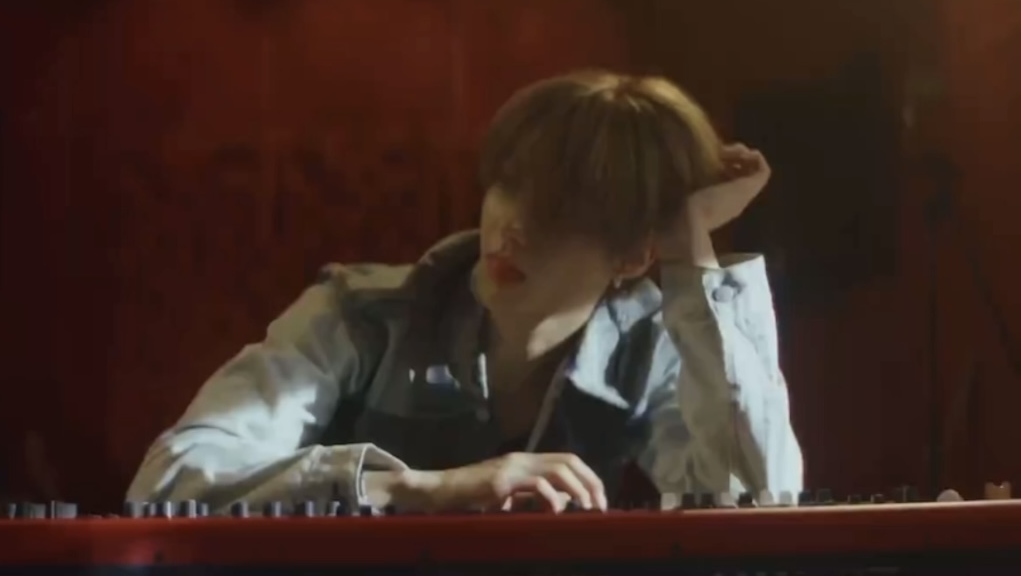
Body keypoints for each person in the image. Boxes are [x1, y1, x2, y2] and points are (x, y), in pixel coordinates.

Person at [126, 70, 804, 513]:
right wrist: (421, 489)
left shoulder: (648, 343)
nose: (513, 225)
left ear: (632, 255)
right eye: (508, 186)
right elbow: (170, 481)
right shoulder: (362, 314)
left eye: (561, 210)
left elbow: (755, 509)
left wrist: (689, 247)